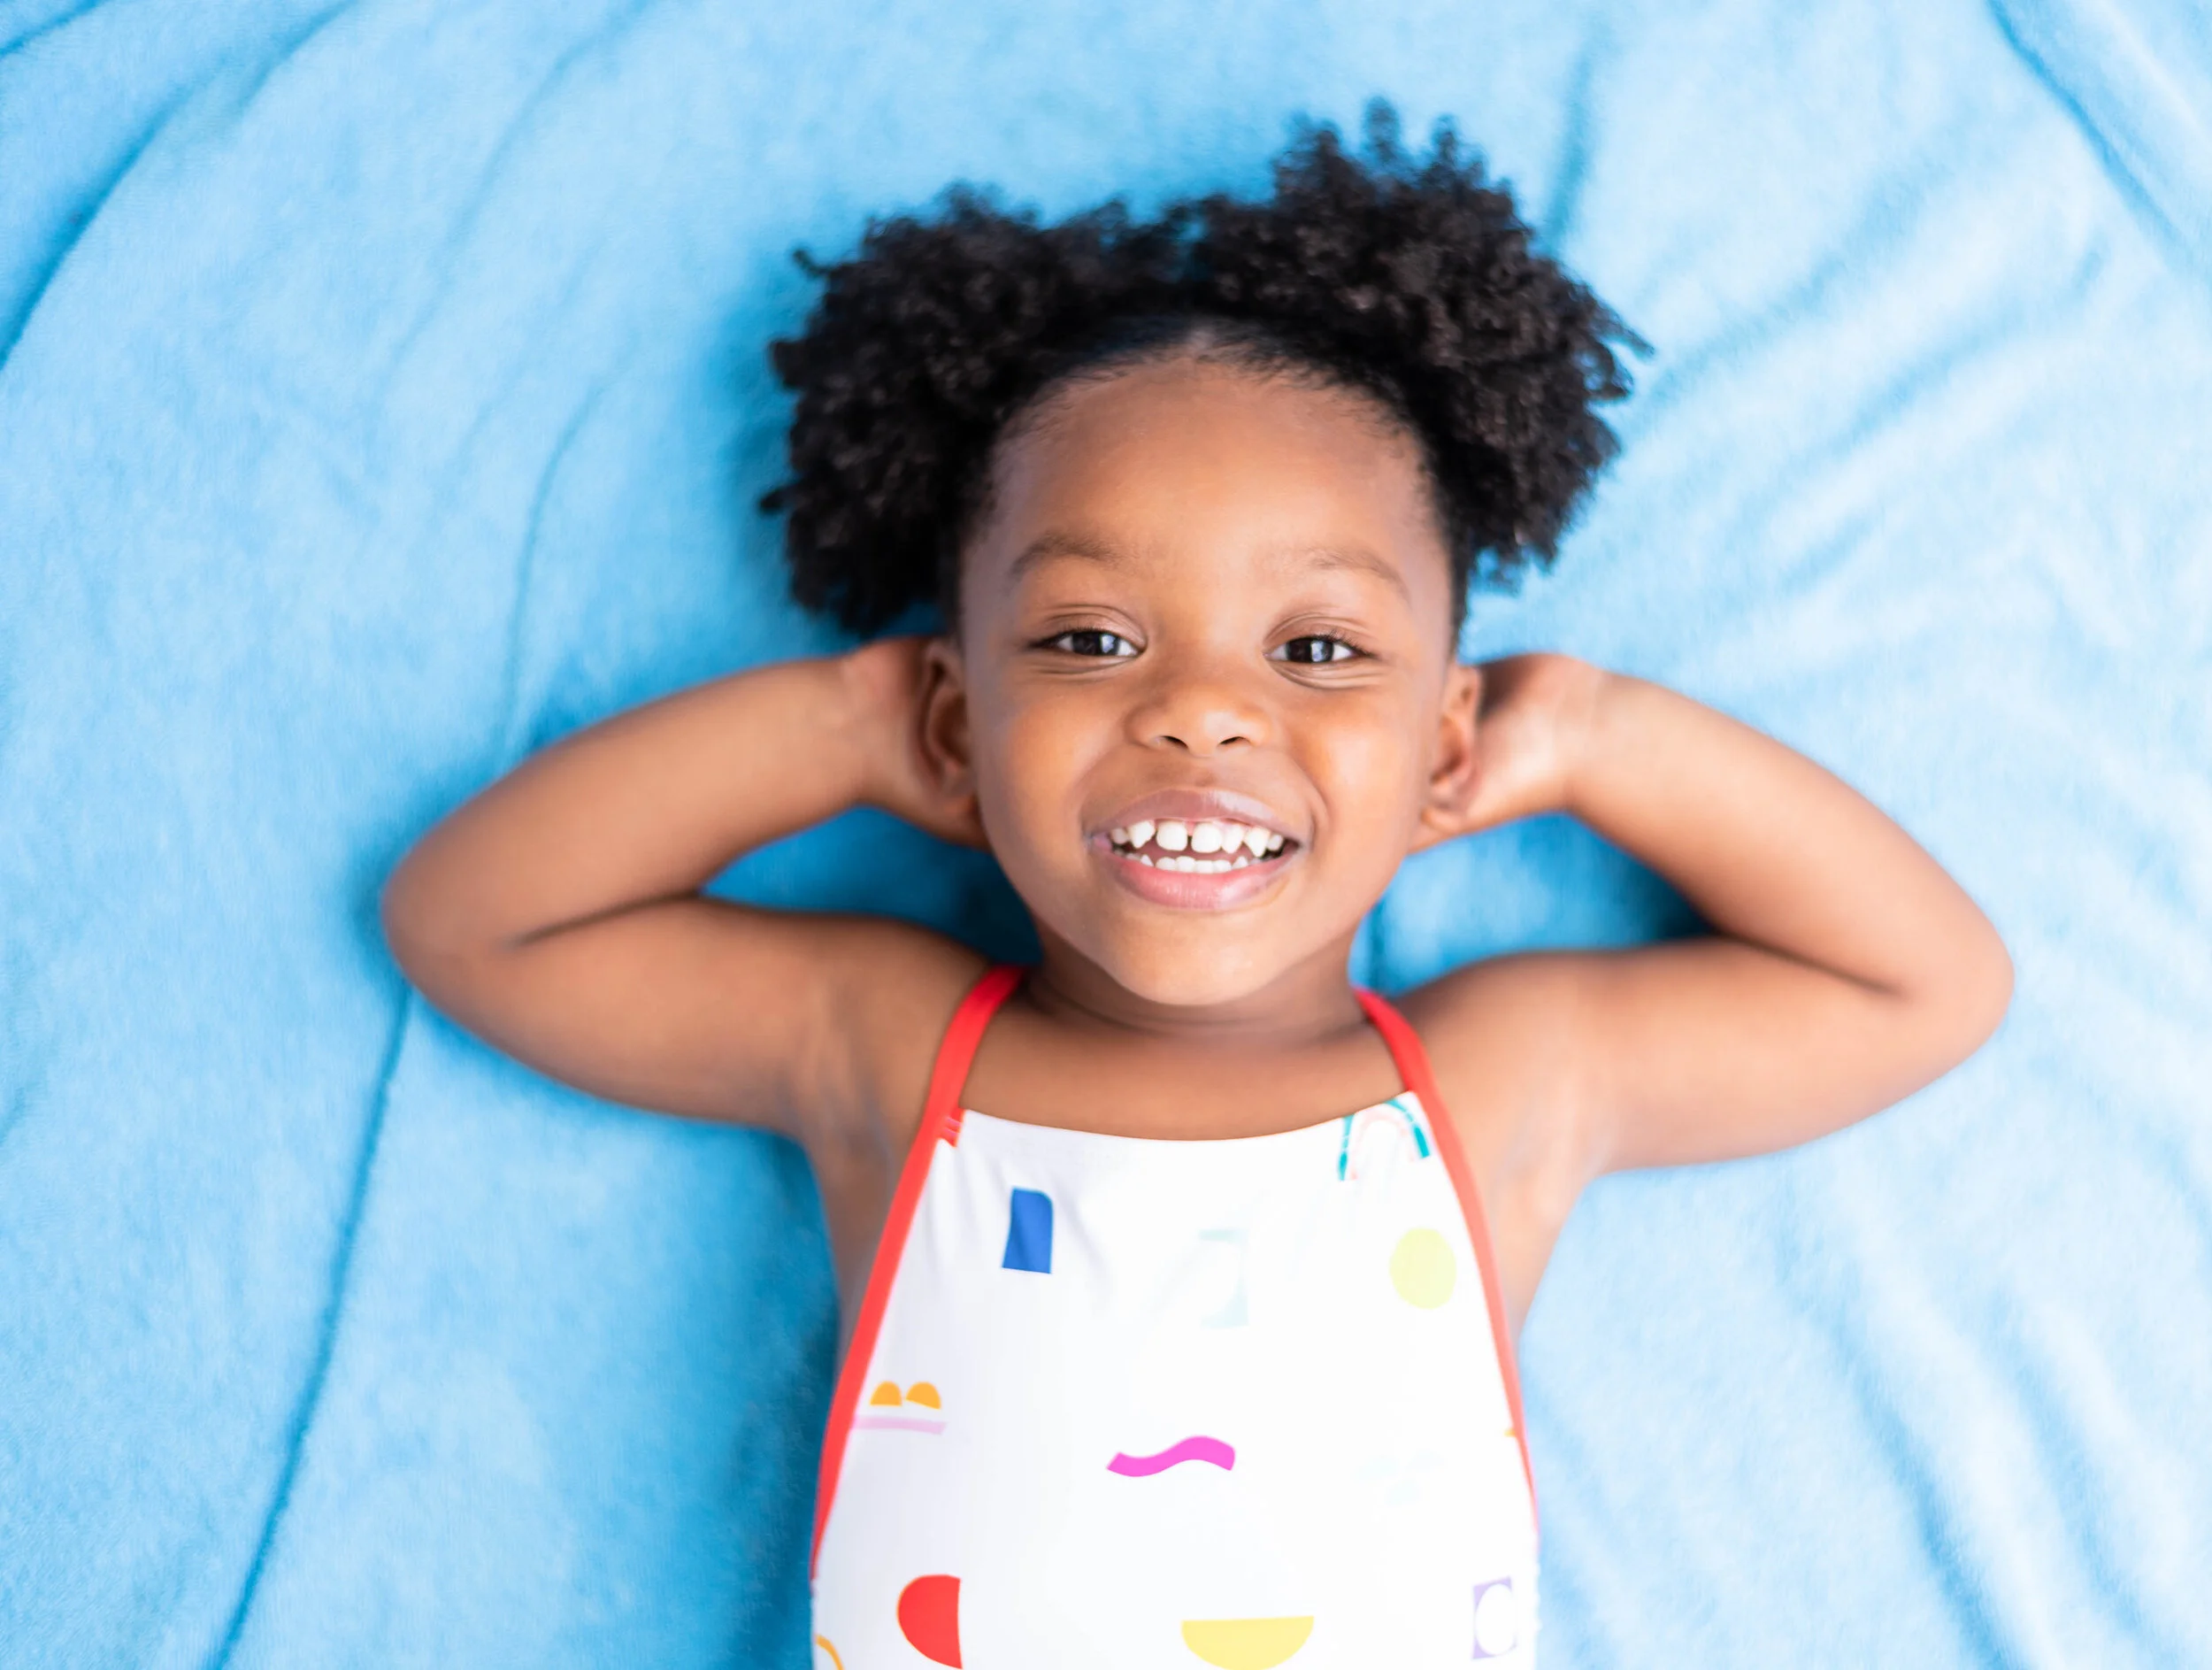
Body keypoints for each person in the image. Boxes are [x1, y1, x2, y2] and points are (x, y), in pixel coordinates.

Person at [381, 105, 2012, 1668]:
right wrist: (858, 725)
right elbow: (473, 920)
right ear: (964, 713)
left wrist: (1585, 730)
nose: (1203, 708)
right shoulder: (881, 1043)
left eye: (1318, 648)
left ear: (1447, 736)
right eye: (1088, 641)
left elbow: (1921, 985)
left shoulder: (1497, 1086)